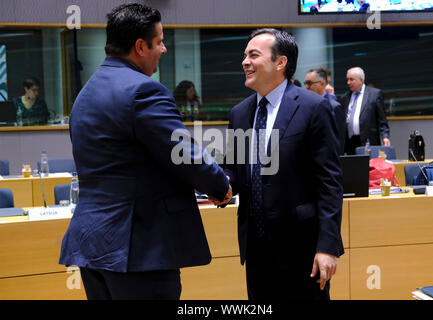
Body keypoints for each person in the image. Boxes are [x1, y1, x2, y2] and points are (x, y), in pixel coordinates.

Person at [59, 3, 232, 300]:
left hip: (92, 246)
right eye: (160, 41)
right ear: (140, 46)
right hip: (139, 248)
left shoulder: (84, 95)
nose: (163, 49)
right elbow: (183, 154)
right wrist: (220, 186)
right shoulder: (144, 90)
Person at [217, 28, 343, 300]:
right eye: (244, 55)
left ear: (280, 62)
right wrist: (217, 184)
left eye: (253, 55)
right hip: (256, 250)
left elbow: (329, 182)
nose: (245, 62)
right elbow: (233, 170)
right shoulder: (239, 114)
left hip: (303, 250)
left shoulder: (313, 107)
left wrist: (328, 247)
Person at [340, 66, 390, 155]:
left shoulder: (374, 94)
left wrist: (385, 137)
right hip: (350, 142)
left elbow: (382, 120)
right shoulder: (346, 97)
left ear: (361, 80)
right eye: (347, 79)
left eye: (351, 79)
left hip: (368, 141)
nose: (348, 82)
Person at [305, 68, 346, 154]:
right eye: (306, 83)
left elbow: (339, 141)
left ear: (322, 83)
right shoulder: (305, 105)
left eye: (309, 83)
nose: (306, 87)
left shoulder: (334, 107)